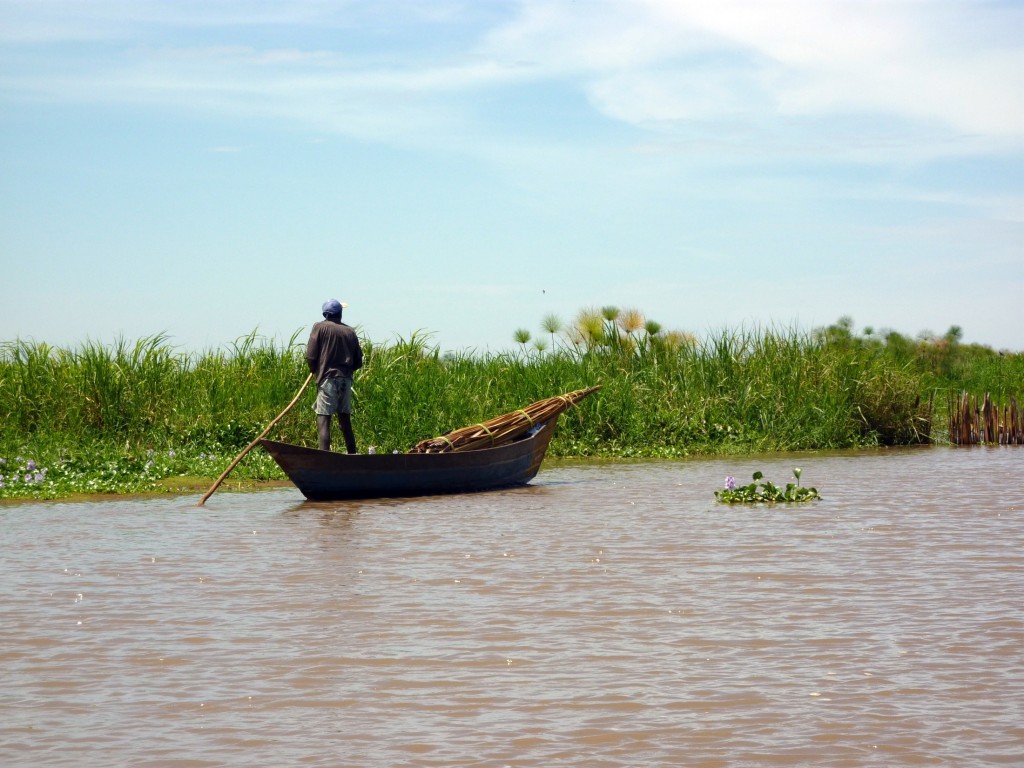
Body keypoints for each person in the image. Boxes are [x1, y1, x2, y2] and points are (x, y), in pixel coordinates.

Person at [306, 298, 364, 453]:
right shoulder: (349, 331)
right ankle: (352, 453)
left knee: (324, 420)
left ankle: (324, 459)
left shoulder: (319, 327)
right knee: (345, 420)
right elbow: (358, 361)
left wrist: (314, 369)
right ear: (340, 314)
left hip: (328, 380)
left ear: (325, 314)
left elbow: (311, 356)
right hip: (346, 380)